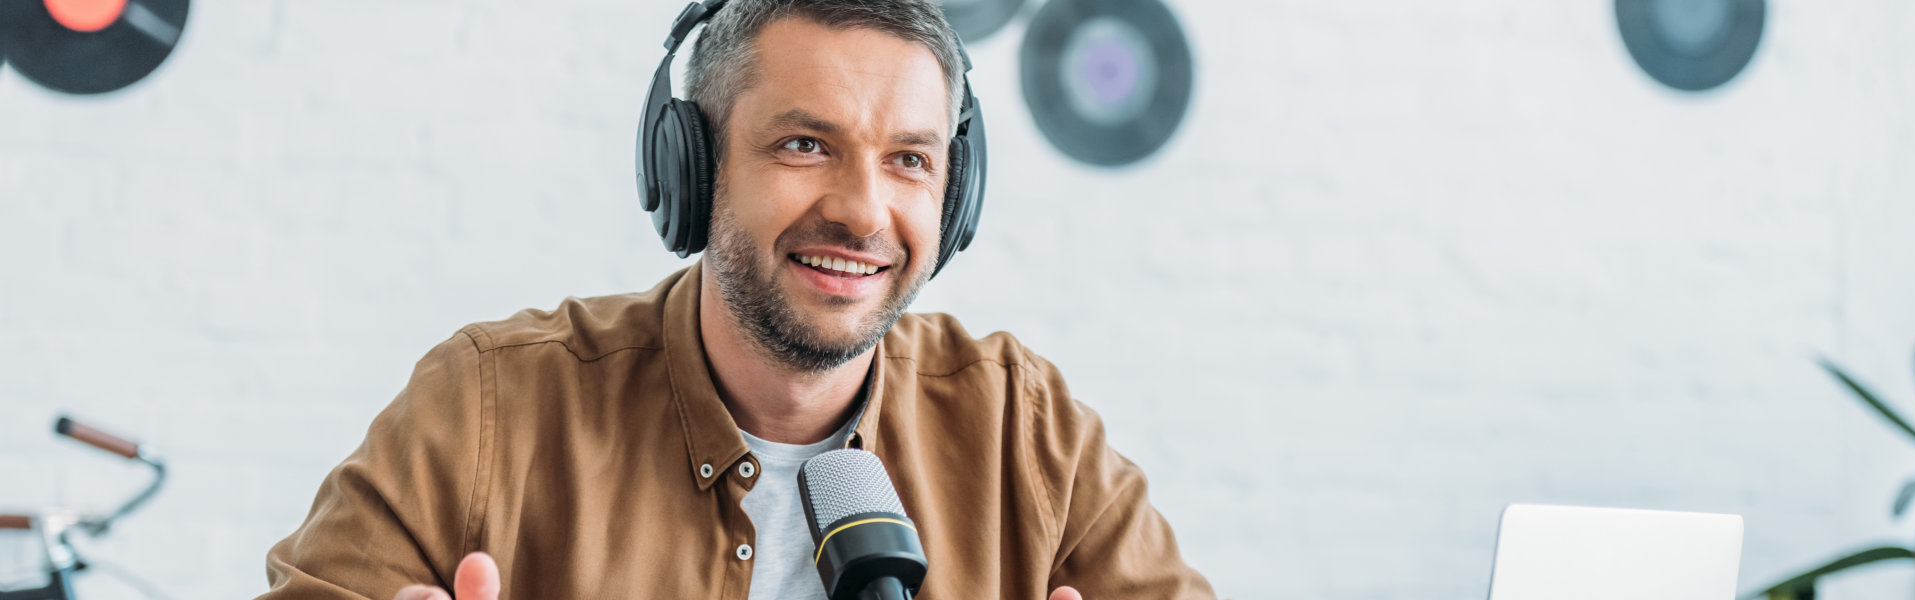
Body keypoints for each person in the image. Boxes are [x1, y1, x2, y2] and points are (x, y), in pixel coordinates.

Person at [259, 0, 1214, 598]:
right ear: (692, 167)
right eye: (805, 145)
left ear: (954, 198)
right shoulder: (489, 408)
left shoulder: (1024, 428)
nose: (862, 211)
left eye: (910, 161)